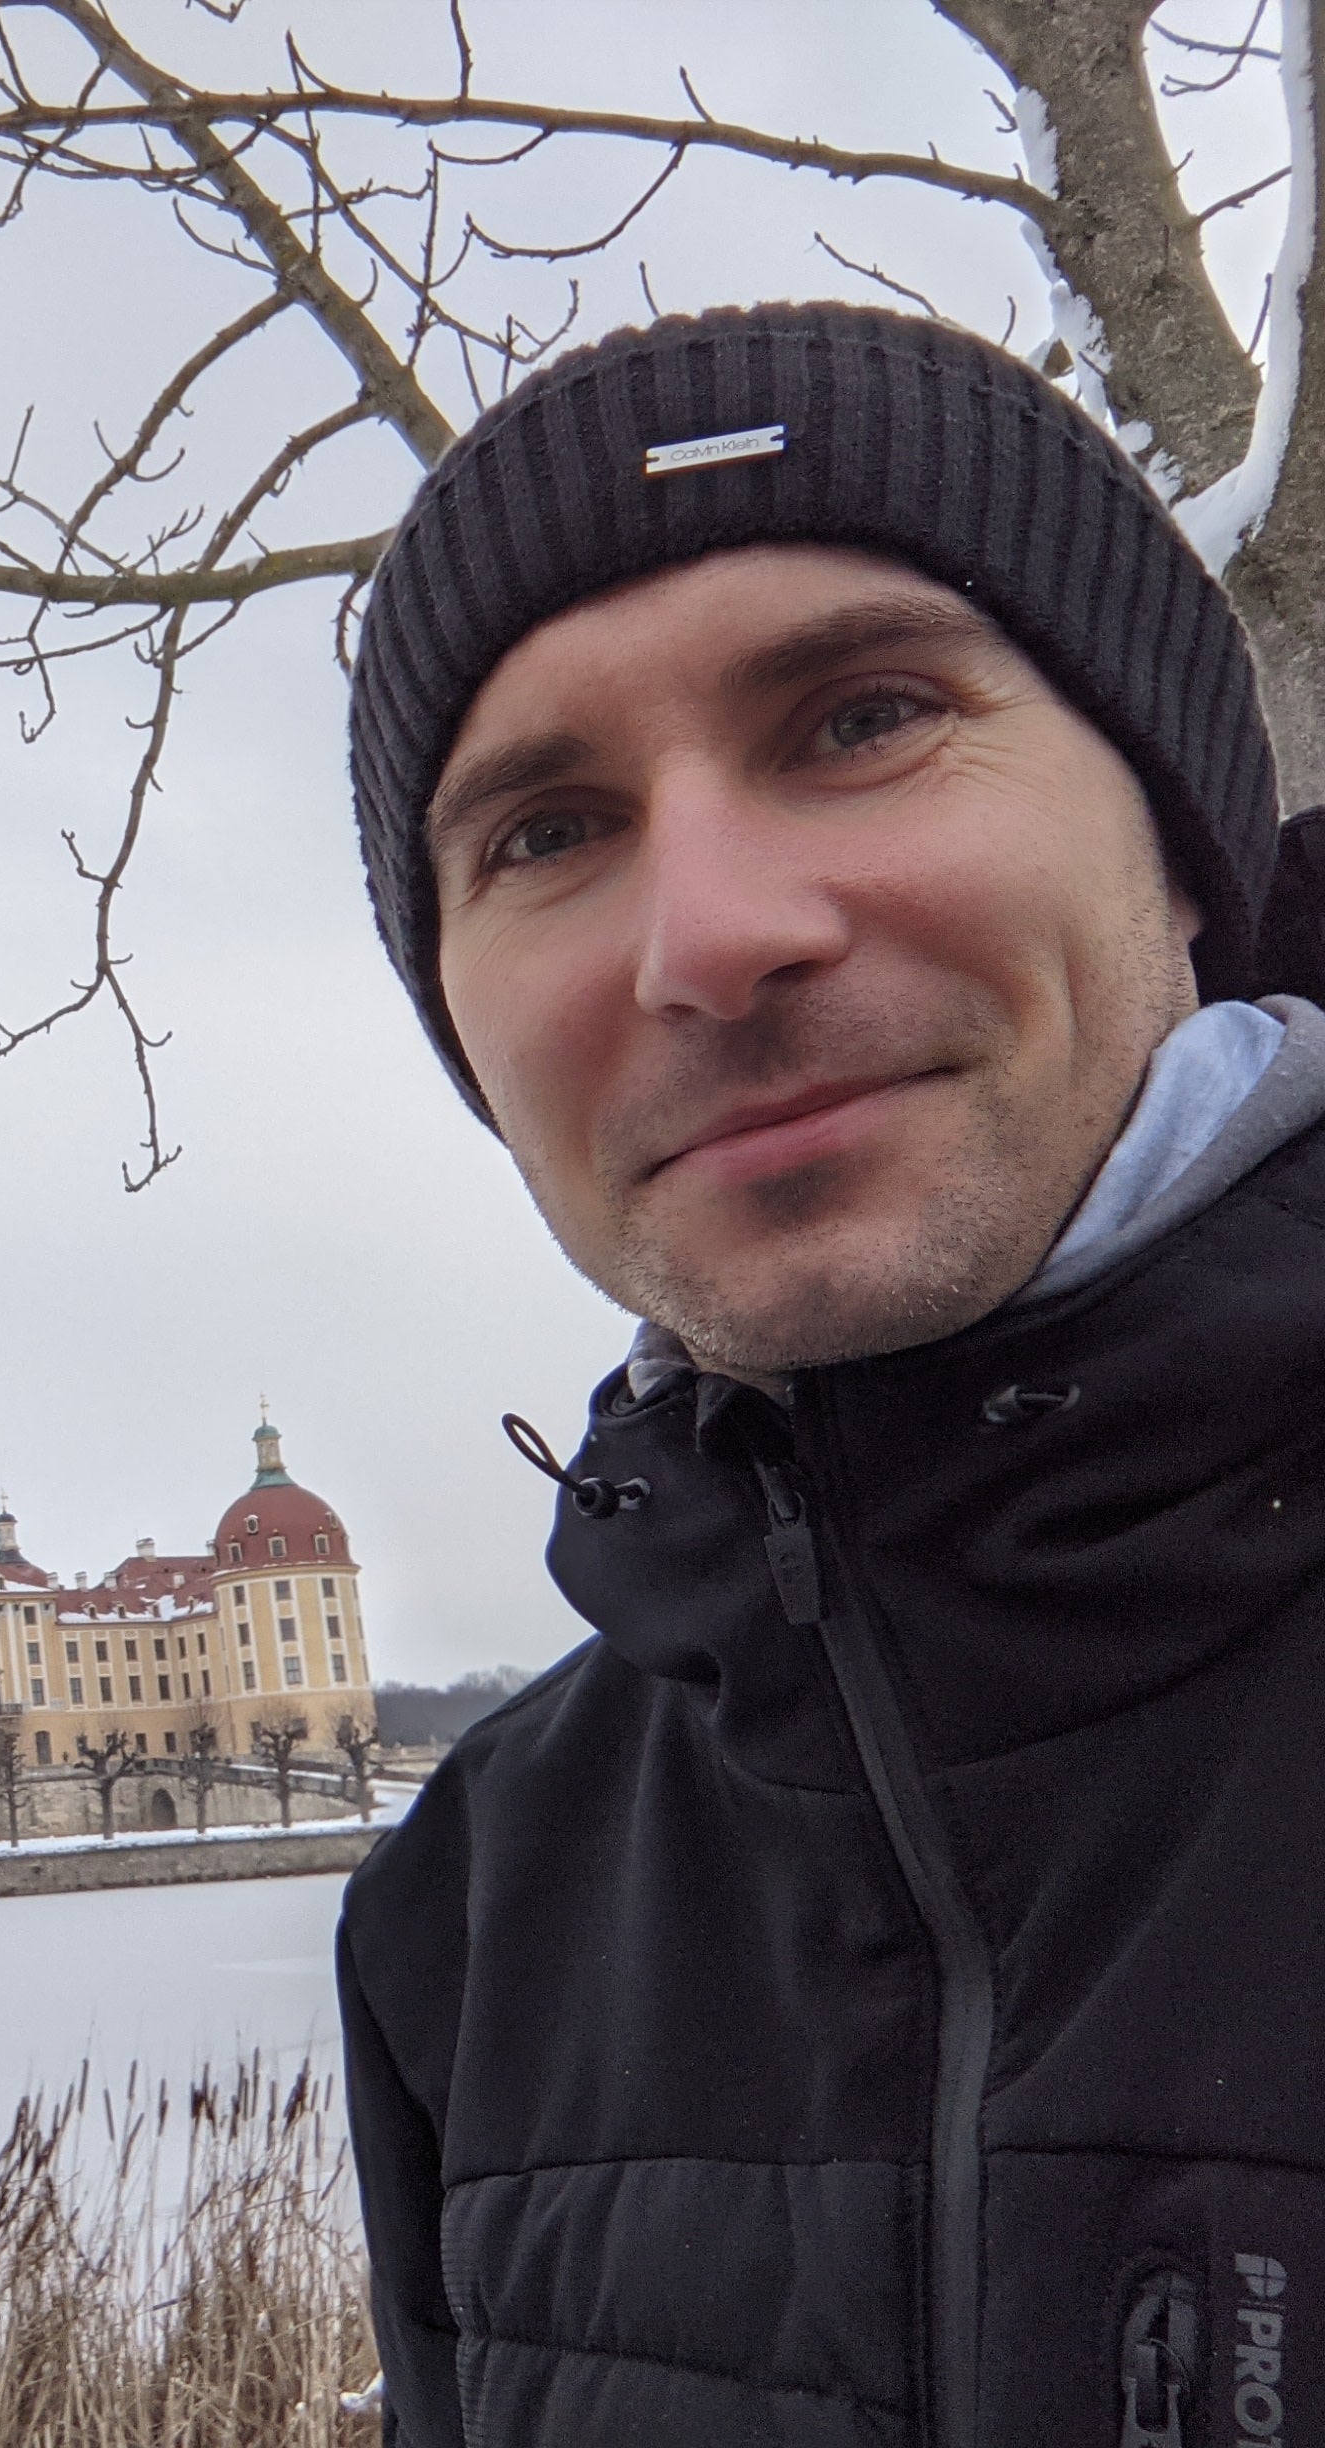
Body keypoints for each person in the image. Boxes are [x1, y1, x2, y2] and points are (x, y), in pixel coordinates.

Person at [335, 299, 1325, 2446]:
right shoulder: (477, 1905)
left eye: (865, 717)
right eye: (545, 833)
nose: (709, 936)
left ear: (1184, 844)